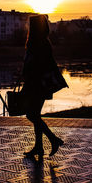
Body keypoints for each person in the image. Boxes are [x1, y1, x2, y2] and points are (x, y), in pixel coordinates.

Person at [22, 14, 68, 159]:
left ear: (35, 28)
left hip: (37, 85)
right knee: (35, 115)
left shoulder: (38, 43)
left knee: (31, 115)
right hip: (39, 84)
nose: (28, 27)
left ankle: (53, 139)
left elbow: (36, 65)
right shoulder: (42, 42)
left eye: (31, 25)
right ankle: (39, 147)